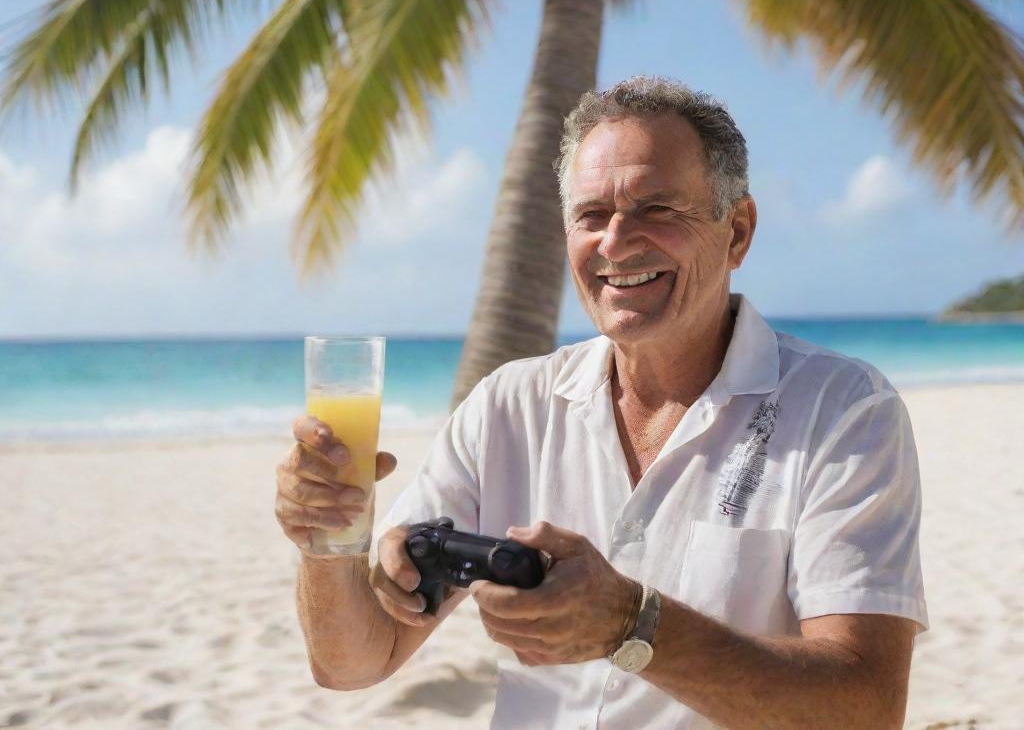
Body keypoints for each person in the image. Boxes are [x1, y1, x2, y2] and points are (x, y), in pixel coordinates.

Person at [275, 76, 928, 730]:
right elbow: (351, 663)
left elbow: (866, 709)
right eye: (591, 215)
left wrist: (631, 625)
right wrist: (327, 537)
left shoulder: (842, 410)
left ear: (737, 231)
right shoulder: (507, 405)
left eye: (657, 208)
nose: (616, 242)